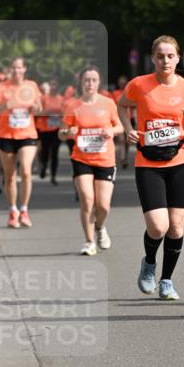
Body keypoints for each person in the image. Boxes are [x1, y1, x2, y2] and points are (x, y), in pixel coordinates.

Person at [117, 35, 184, 300]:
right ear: (153, 59)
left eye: (170, 56)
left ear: (178, 58)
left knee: (176, 227)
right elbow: (122, 106)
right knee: (158, 227)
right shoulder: (139, 85)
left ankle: (167, 281)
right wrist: (128, 130)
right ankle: (149, 263)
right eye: (160, 56)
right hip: (148, 163)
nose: (165, 60)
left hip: (180, 161)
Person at [58, 67, 123, 255]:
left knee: (103, 205)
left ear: (99, 82)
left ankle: (100, 227)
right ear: (81, 82)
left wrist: (111, 131)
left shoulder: (108, 103)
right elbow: (61, 133)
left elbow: (120, 127)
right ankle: (88, 242)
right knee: (87, 199)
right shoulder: (73, 106)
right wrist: (66, 132)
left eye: (94, 80)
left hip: (105, 159)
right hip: (82, 158)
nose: (90, 84)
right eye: (86, 80)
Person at [0, 56, 42, 227]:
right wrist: (6, 106)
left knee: (26, 170)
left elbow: (39, 109)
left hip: (27, 134)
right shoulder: (2, 88)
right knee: (10, 176)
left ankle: (24, 210)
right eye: (13, 68)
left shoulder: (31, 86)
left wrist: (35, 107)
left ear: (25, 69)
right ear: (10, 70)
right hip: (7, 135)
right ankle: (13, 211)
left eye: (19, 68)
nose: (16, 71)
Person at [36, 78, 65, 184]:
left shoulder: (61, 99)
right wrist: (46, 112)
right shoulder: (43, 98)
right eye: (51, 85)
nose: (53, 87)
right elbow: (36, 113)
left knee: (55, 152)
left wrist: (61, 113)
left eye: (55, 85)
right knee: (45, 151)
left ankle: (53, 176)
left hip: (57, 129)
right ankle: (43, 166)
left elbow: (66, 114)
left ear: (58, 87)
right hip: (45, 129)